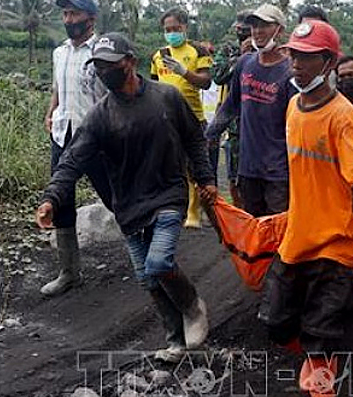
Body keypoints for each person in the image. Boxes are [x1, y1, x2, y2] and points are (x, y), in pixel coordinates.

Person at [36, 33, 217, 362]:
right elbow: (71, 161)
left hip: (168, 193)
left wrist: (205, 178)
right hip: (128, 204)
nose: (104, 73)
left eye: (110, 66)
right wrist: (52, 198)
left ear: (130, 62)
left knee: (159, 262)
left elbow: (194, 139)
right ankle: (175, 341)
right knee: (147, 277)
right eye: (99, 68)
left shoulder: (167, 97)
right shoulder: (100, 116)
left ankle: (192, 306)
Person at [264, 19, 353, 397]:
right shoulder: (293, 107)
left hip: (335, 242)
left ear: (329, 61)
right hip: (297, 237)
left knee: (320, 328)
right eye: (293, 55)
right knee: (278, 323)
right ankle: (318, 363)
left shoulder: (343, 116)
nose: (295, 63)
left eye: (306, 56)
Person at [41, 0, 114, 297]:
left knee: (114, 196)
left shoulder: (102, 52)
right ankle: (69, 272)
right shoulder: (60, 53)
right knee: (62, 201)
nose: (69, 19)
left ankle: (150, 255)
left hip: (95, 136)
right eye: (66, 14)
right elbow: (58, 86)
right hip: (62, 134)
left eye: (75, 14)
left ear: (91, 19)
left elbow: (114, 94)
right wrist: (50, 112)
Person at [206, 4, 295, 217]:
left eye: (264, 25)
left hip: (278, 170)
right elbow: (231, 104)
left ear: (279, 30)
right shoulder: (245, 63)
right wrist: (210, 133)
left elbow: (296, 124)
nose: (257, 31)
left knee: (277, 228)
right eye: (254, 25)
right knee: (253, 225)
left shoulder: (290, 72)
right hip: (248, 166)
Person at [150, 8, 214, 229]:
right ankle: (174, 208)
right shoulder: (158, 55)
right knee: (169, 166)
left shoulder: (198, 50)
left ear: (185, 27)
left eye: (176, 29)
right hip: (164, 118)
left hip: (193, 117)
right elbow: (153, 85)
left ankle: (195, 211)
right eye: (167, 30)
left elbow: (206, 82)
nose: (172, 33)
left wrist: (184, 72)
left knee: (195, 167)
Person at [210, 12, 253, 206]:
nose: (242, 32)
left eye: (246, 28)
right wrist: (242, 57)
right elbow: (218, 76)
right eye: (239, 28)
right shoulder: (228, 50)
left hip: (261, 125)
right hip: (236, 124)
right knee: (234, 178)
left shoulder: (268, 51)